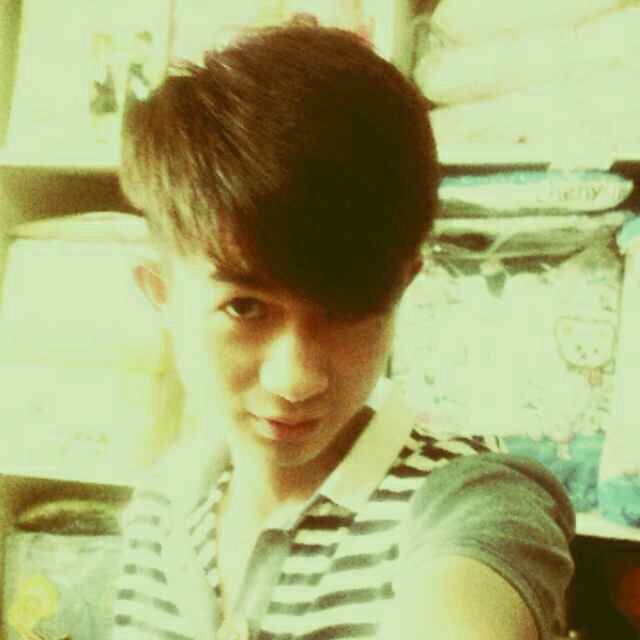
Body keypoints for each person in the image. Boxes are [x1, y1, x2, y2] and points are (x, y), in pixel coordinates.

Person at [112, 21, 575, 640]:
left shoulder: (469, 500)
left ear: (403, 287)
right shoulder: (160, 507)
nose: (296, 379)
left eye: (351, 306)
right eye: (245, 307)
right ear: (161, 295)